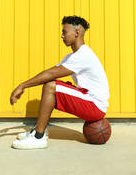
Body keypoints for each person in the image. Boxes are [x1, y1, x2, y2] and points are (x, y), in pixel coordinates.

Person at [10, 15, 110, 149]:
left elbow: (51, 74)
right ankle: (39, 131)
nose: (62, 36)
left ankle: (38, 137)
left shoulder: (84, 54)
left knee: (51, 87)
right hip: (89, 100)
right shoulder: (72, 56)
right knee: (51, 84)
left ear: (77, 33)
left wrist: (22, 85)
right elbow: (52, 72)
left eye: (64, 32)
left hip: (95, 106)